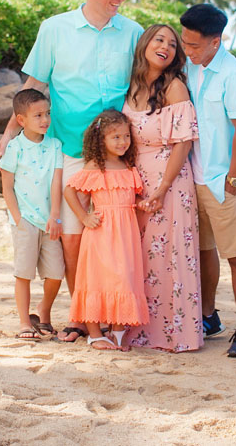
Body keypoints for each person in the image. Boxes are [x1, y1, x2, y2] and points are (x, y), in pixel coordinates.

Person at [0, 0, 143, 343]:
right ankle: (81, 316)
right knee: (74, 239)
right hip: (71, 150)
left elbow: (143, 87)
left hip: (116, 154)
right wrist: (9, 133)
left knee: (114, 238)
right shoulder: (55, 28)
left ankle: (112, 313)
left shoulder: (133, 32)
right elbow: (35, 84)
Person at [179, 4, 236, 358]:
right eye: (185, 42)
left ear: (216, 41)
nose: (187, 50)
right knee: (204, 250)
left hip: (224, 180)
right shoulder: (191, 67)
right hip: (194, 178)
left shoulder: (233, 75)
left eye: (194, 45)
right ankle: (209, 317)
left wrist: (235, 179)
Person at [122, 25, 203, 352]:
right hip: (137, 182)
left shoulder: (174, 86)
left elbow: (184, 143)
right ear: (145, 44)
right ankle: (139, 329)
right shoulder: (131, 86)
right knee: (143, 257)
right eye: (159, 40)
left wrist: (162, 187)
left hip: (170, 183)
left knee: (169, 256)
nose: (166, 47)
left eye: (172, 44)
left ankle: (174, 334)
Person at [64, 109, 149, 350]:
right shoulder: (95, 166)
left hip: (125, 234)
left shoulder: (128, 166)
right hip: (101, 233)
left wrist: (142, 203)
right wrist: (84, 216)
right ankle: (94, 334)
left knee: (122, 279)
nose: (123, 142)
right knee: (97, 280)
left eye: (126, 136)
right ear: (101, 139)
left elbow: (132, 196)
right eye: (116, 137)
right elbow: (69, 191)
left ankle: (118, 331)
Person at [0, 89, 65, 340]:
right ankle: (25, 323)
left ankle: (44, 310)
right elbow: (7, 188)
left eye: (47, 113)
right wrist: (18, 219)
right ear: (21, 120)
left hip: (49, 221)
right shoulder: (15, 148)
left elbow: (56, 182)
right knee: (24, 274)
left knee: (56, 273)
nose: (45, 119)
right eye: (38, 115)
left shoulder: (55, 146)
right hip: (25, 221)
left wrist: (55, 216)